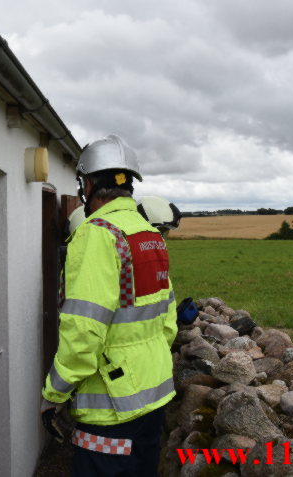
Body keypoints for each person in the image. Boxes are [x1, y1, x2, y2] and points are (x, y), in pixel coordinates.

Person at [40, 134, 177, 476]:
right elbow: (168, 320)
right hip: (154, 394)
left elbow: (84, 328)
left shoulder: (96, 234)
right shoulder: (148, 234)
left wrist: (55, 393)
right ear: (128, 184)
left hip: (111, 408)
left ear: (87, 186)